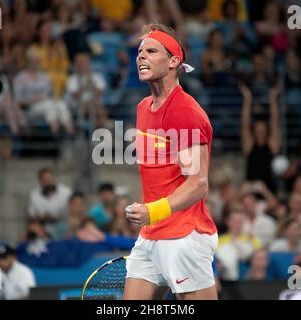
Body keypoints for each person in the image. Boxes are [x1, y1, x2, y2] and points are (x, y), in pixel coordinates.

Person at [124, 23, 218, 300]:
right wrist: (150, 217)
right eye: (140, 52)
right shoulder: (143, 108)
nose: (141, 56)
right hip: (151, 236)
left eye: (151, 51)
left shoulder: (185, 111)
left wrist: (153, 211)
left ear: (174, 61)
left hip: (185, 236)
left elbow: (198, 183)